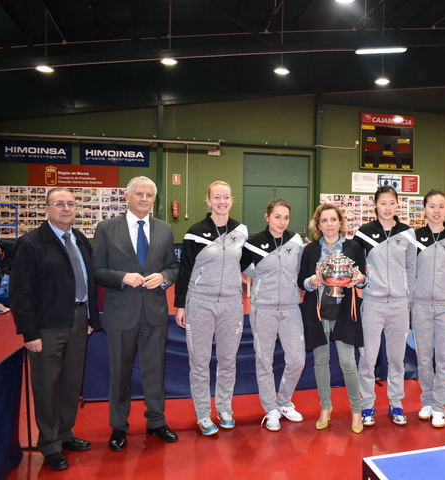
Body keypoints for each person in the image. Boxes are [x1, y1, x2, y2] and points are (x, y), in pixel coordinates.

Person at [9, 187, 102, 470]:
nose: (66, 208)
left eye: (71, 204)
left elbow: (89, 281)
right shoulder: (31, 243)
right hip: (47, 328)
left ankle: (65, 434)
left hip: (78, 323)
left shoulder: (80, 240)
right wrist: (30, 333)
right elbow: (20, 293)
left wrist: (89, 319)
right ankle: (49, 444)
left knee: (71, 385)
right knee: (47, 387)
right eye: (59, 203)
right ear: (47, 208)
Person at [93, 176, 180, 451]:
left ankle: (156, 421)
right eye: (139, 194)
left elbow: (174, 266)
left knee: (155, 370)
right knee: (120, 372)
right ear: (127, 197)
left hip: (155, 312)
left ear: (155, 200)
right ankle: (118, 426)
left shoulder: (165, 229)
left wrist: (164, 277)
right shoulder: (106, 228)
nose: (144, 199)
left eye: (149, 195)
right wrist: (122, 277)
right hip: (121, 313)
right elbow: (97, 271)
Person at [174, 181, 248, 435]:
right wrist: (180, 305)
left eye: (226, 197)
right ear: (208, 201)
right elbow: (184, 271)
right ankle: (203, 414)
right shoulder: (195, 232)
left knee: (228, 360)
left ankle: (224, 407)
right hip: (200, 304)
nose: (222, 201)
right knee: (200, 362)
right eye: (216, 197)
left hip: (231, 304)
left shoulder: (241, 231)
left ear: (232, 199)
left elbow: (247, 265)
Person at [299, 204, 366, 433]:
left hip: (345, 312)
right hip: (317, 312)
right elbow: (302, 283)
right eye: (324, 221)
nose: (329, 224)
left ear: (340, 222)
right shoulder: (309, 251)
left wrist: (361, 279)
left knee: (348, 362)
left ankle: (356, 410)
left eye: (333, 220)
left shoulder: (354, 247)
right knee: (321, 361)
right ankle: (325, 407)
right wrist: (311, 282)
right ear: (318, 225)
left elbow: (362, 279)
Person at [353, 185, 417, 426]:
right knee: (367, 358)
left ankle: (396, 404)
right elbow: (356, 268)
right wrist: (364, 287)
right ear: (375, 205)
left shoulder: (407, 233)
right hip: (372, 303)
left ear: (397, 204)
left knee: (397, 359)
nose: (387, 207)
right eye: (383, 203)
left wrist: (408, 297)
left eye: (392, 202)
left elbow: (411, 268)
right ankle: (367, 406)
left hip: (400, 304)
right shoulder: (364, 233)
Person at [241, 198, 306, 432]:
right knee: (264, 361)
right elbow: (240, 266)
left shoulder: (295, 240)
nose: (282, 222)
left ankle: (284, 402)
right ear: (267, 217)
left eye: (286, 217)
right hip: (263, 309)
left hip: (290, 308)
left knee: (297, 359)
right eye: (277, 217)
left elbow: (302, 269)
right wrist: (257, 277)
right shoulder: (253, 243)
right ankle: (270, 409)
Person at [411, 190, 445, 428]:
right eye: (432, 206)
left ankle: (439, 407)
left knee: (444, 359)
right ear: (424, 209)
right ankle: (427, 401)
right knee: (423, 358)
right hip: (420, 306)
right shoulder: (412, 237)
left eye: (441, 206)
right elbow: (405, 271)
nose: (436, 211)